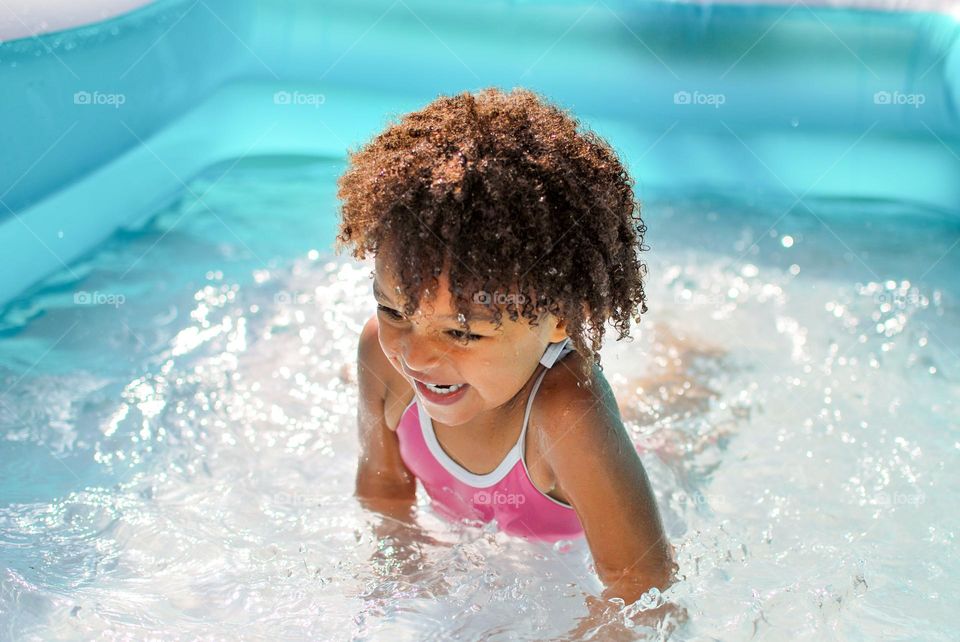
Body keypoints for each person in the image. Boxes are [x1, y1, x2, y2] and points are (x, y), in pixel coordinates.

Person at [337, 87, 676, 605]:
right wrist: (401, 596)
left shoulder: (566, 415)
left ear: (561, 319)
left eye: (463, 332)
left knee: (678, 422)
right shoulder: (381, 357)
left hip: (582, 495)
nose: (415, 356)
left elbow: (642, 589)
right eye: (394, 311)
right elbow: (383, 493)